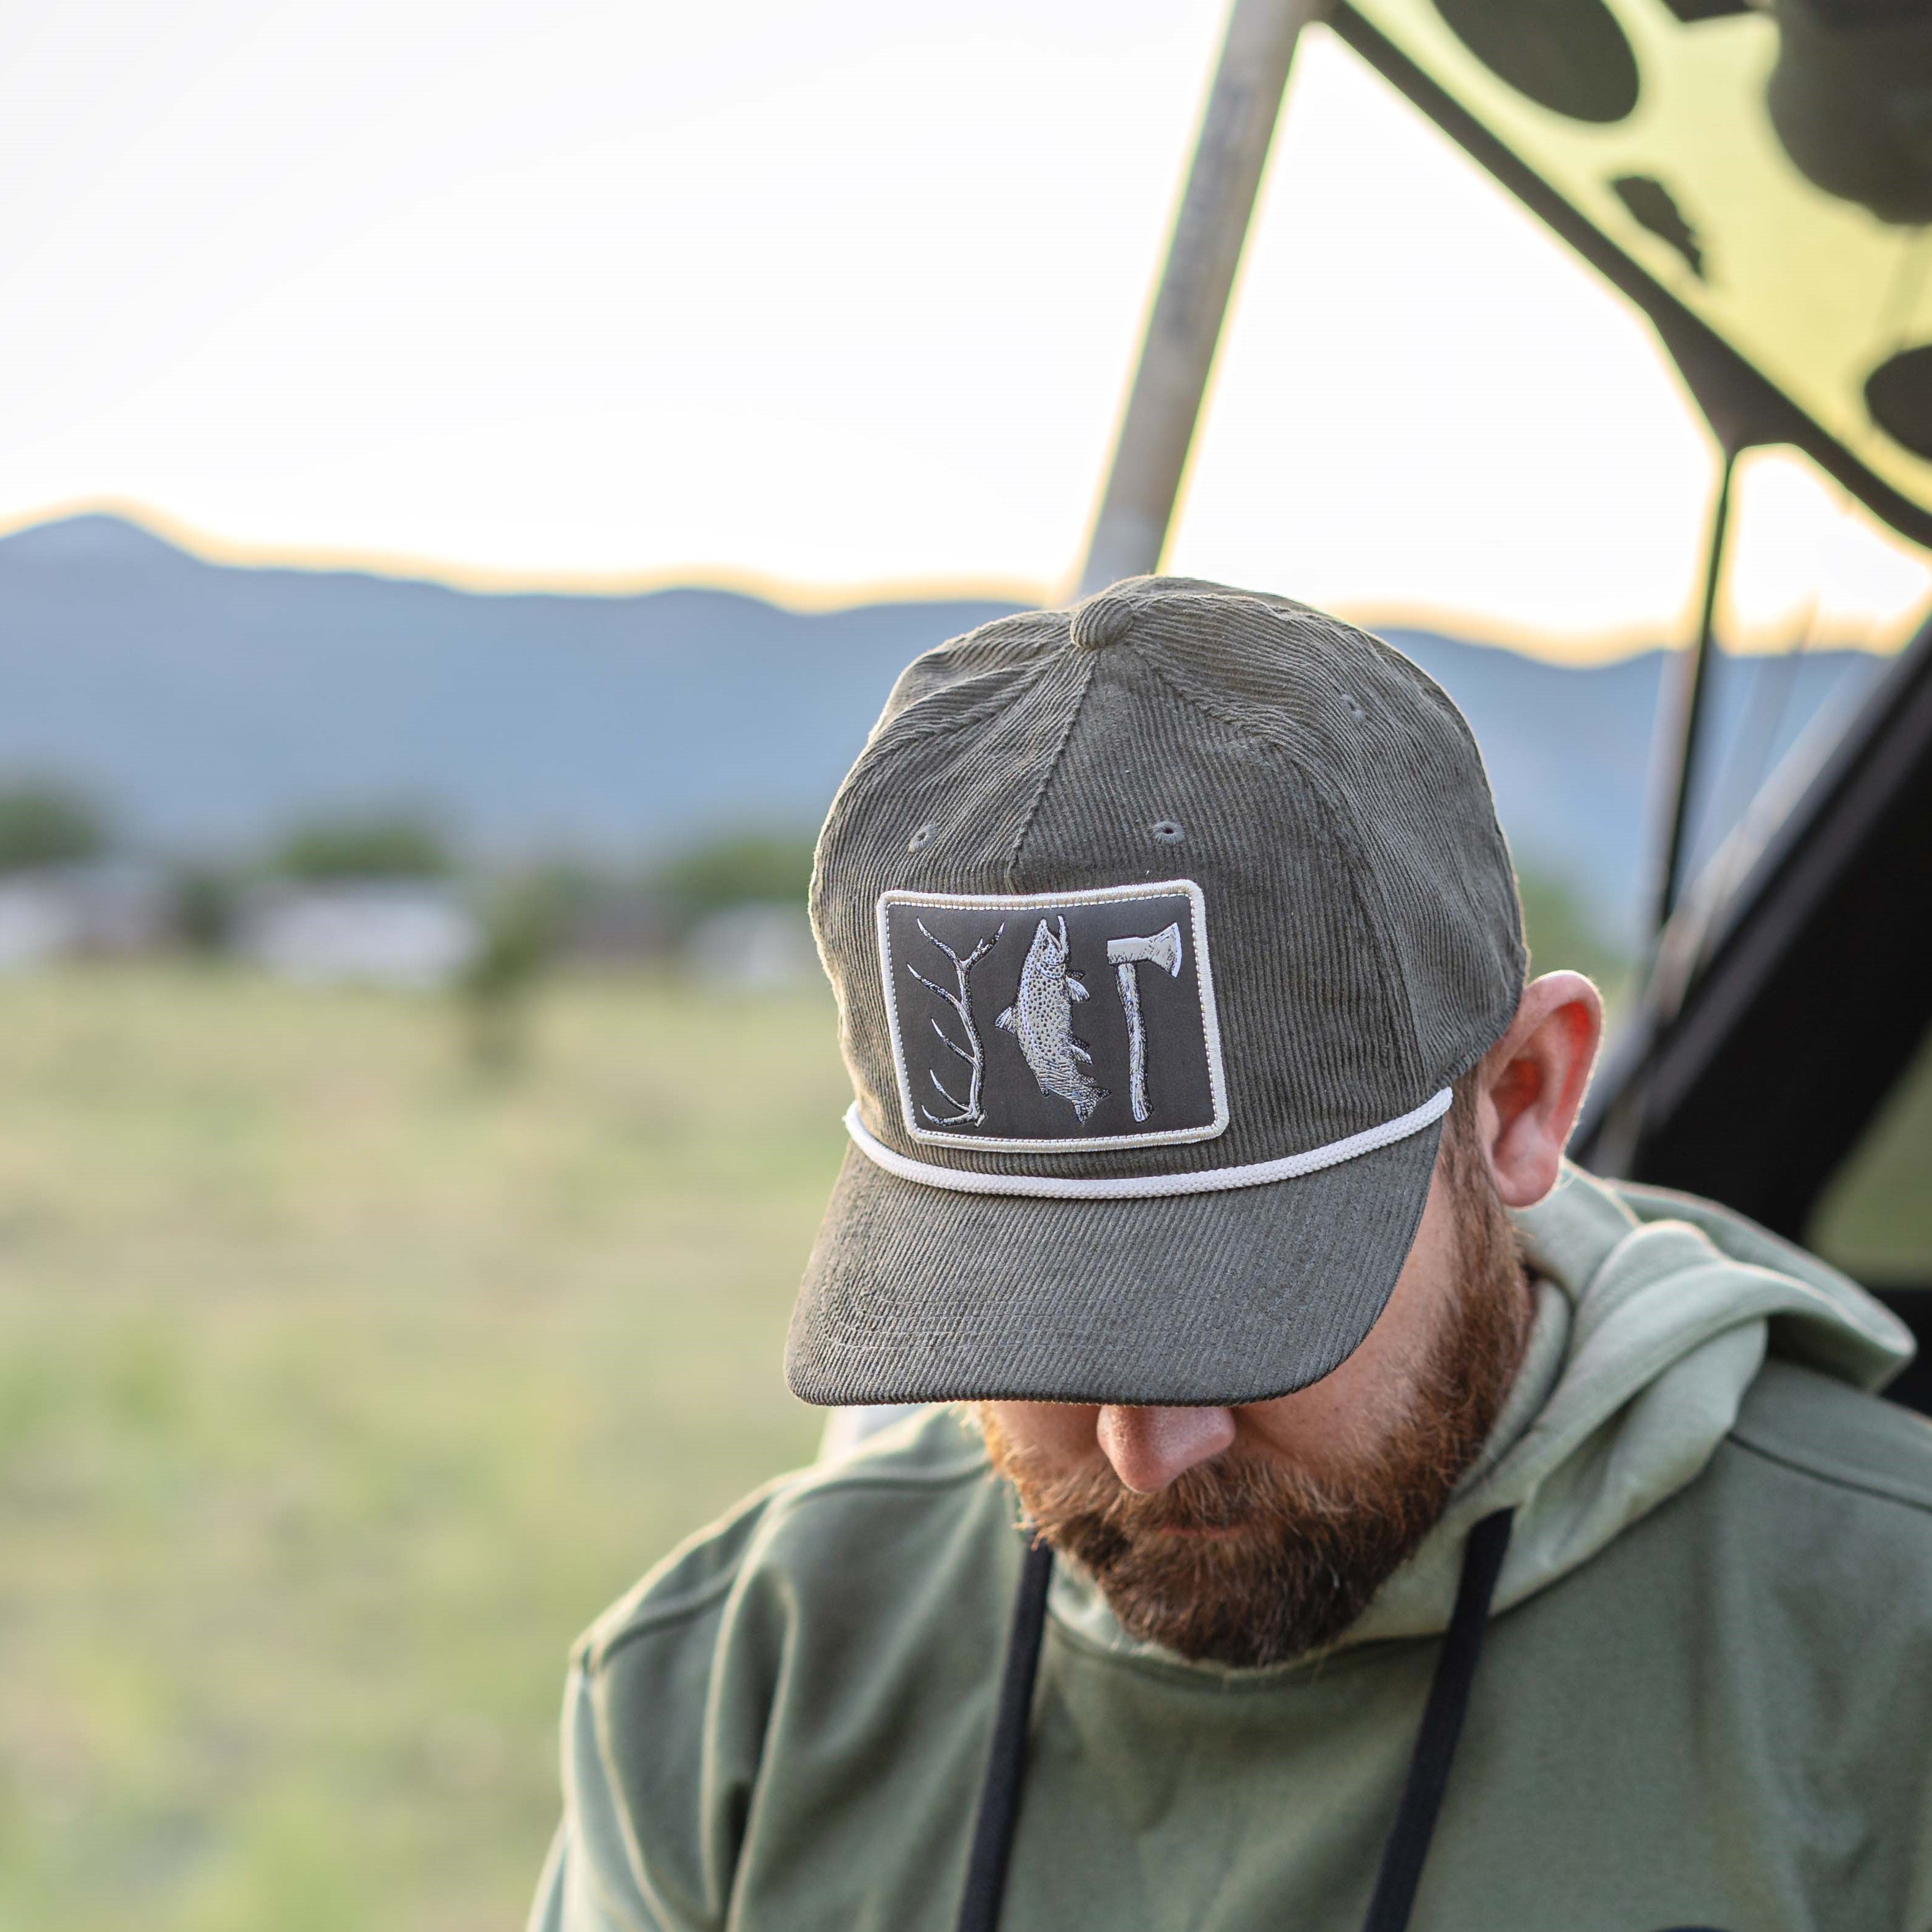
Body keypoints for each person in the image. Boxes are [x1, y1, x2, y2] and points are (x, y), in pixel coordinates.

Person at [529, 579, 1932, 1932]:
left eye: (1251, 1300)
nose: (1147, 1447)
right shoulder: (734, 1687)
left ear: (1518, 1103)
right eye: (1035, 1319)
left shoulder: (1882, 1663)